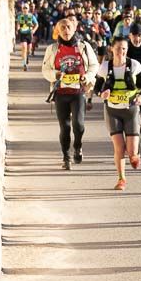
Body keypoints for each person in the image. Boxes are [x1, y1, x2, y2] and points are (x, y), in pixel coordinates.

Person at [41, 15, 99, 169]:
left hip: (78, 91)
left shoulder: (84, 46)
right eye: (62, 28)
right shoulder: (52, 49)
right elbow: (45, 70)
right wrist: (56, 75)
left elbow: (94, 65)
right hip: (60, 92)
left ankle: (78, 147)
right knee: (65, 127)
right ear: (58, 31)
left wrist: (87, 77)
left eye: (68, 27)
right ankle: (66, 157)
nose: (66, 30)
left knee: (78, 125)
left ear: (74, 29)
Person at [94, 36, 141, 190]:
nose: (121, 52)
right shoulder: (105, 67)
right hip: (112, 111)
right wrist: (100, 94)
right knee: (119, 147)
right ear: (112, 49)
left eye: (124, 49)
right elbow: (97, 87)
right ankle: (121, 179)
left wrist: (140, 95)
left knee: (131, 152)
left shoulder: (134, 65)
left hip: (130, 110)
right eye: (118, 48)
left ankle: (135, 155)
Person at [14, 6, 37, 71]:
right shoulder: (20, 16)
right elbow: (18, 24)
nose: (25, 9)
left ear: (28, 9)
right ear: (22, 9)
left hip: (29, 34)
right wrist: (17, 29)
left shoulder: (31, 16)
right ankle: (24, 64)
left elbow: (36, 24)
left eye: (26, 8)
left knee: (29, 50)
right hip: (22, 34)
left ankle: (27, 57)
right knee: (24, 47)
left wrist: (34, 30)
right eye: (24, 8)